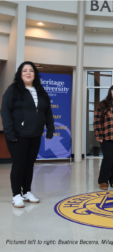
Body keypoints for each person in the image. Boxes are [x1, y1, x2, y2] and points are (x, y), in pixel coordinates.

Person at [1, 61, 54, 208]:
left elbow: (47, 112)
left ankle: (27, 192)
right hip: (18, 134)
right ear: (20, 73)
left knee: (29, 165)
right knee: (19, 164)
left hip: (35, 134)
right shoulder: (13, 90)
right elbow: (5, 111)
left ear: (35, 74)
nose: (28, 73)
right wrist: (9, 132)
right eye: (25, 70)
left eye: (31, 70)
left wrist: (50, 129)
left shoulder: (41, 91)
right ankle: (16, 195)